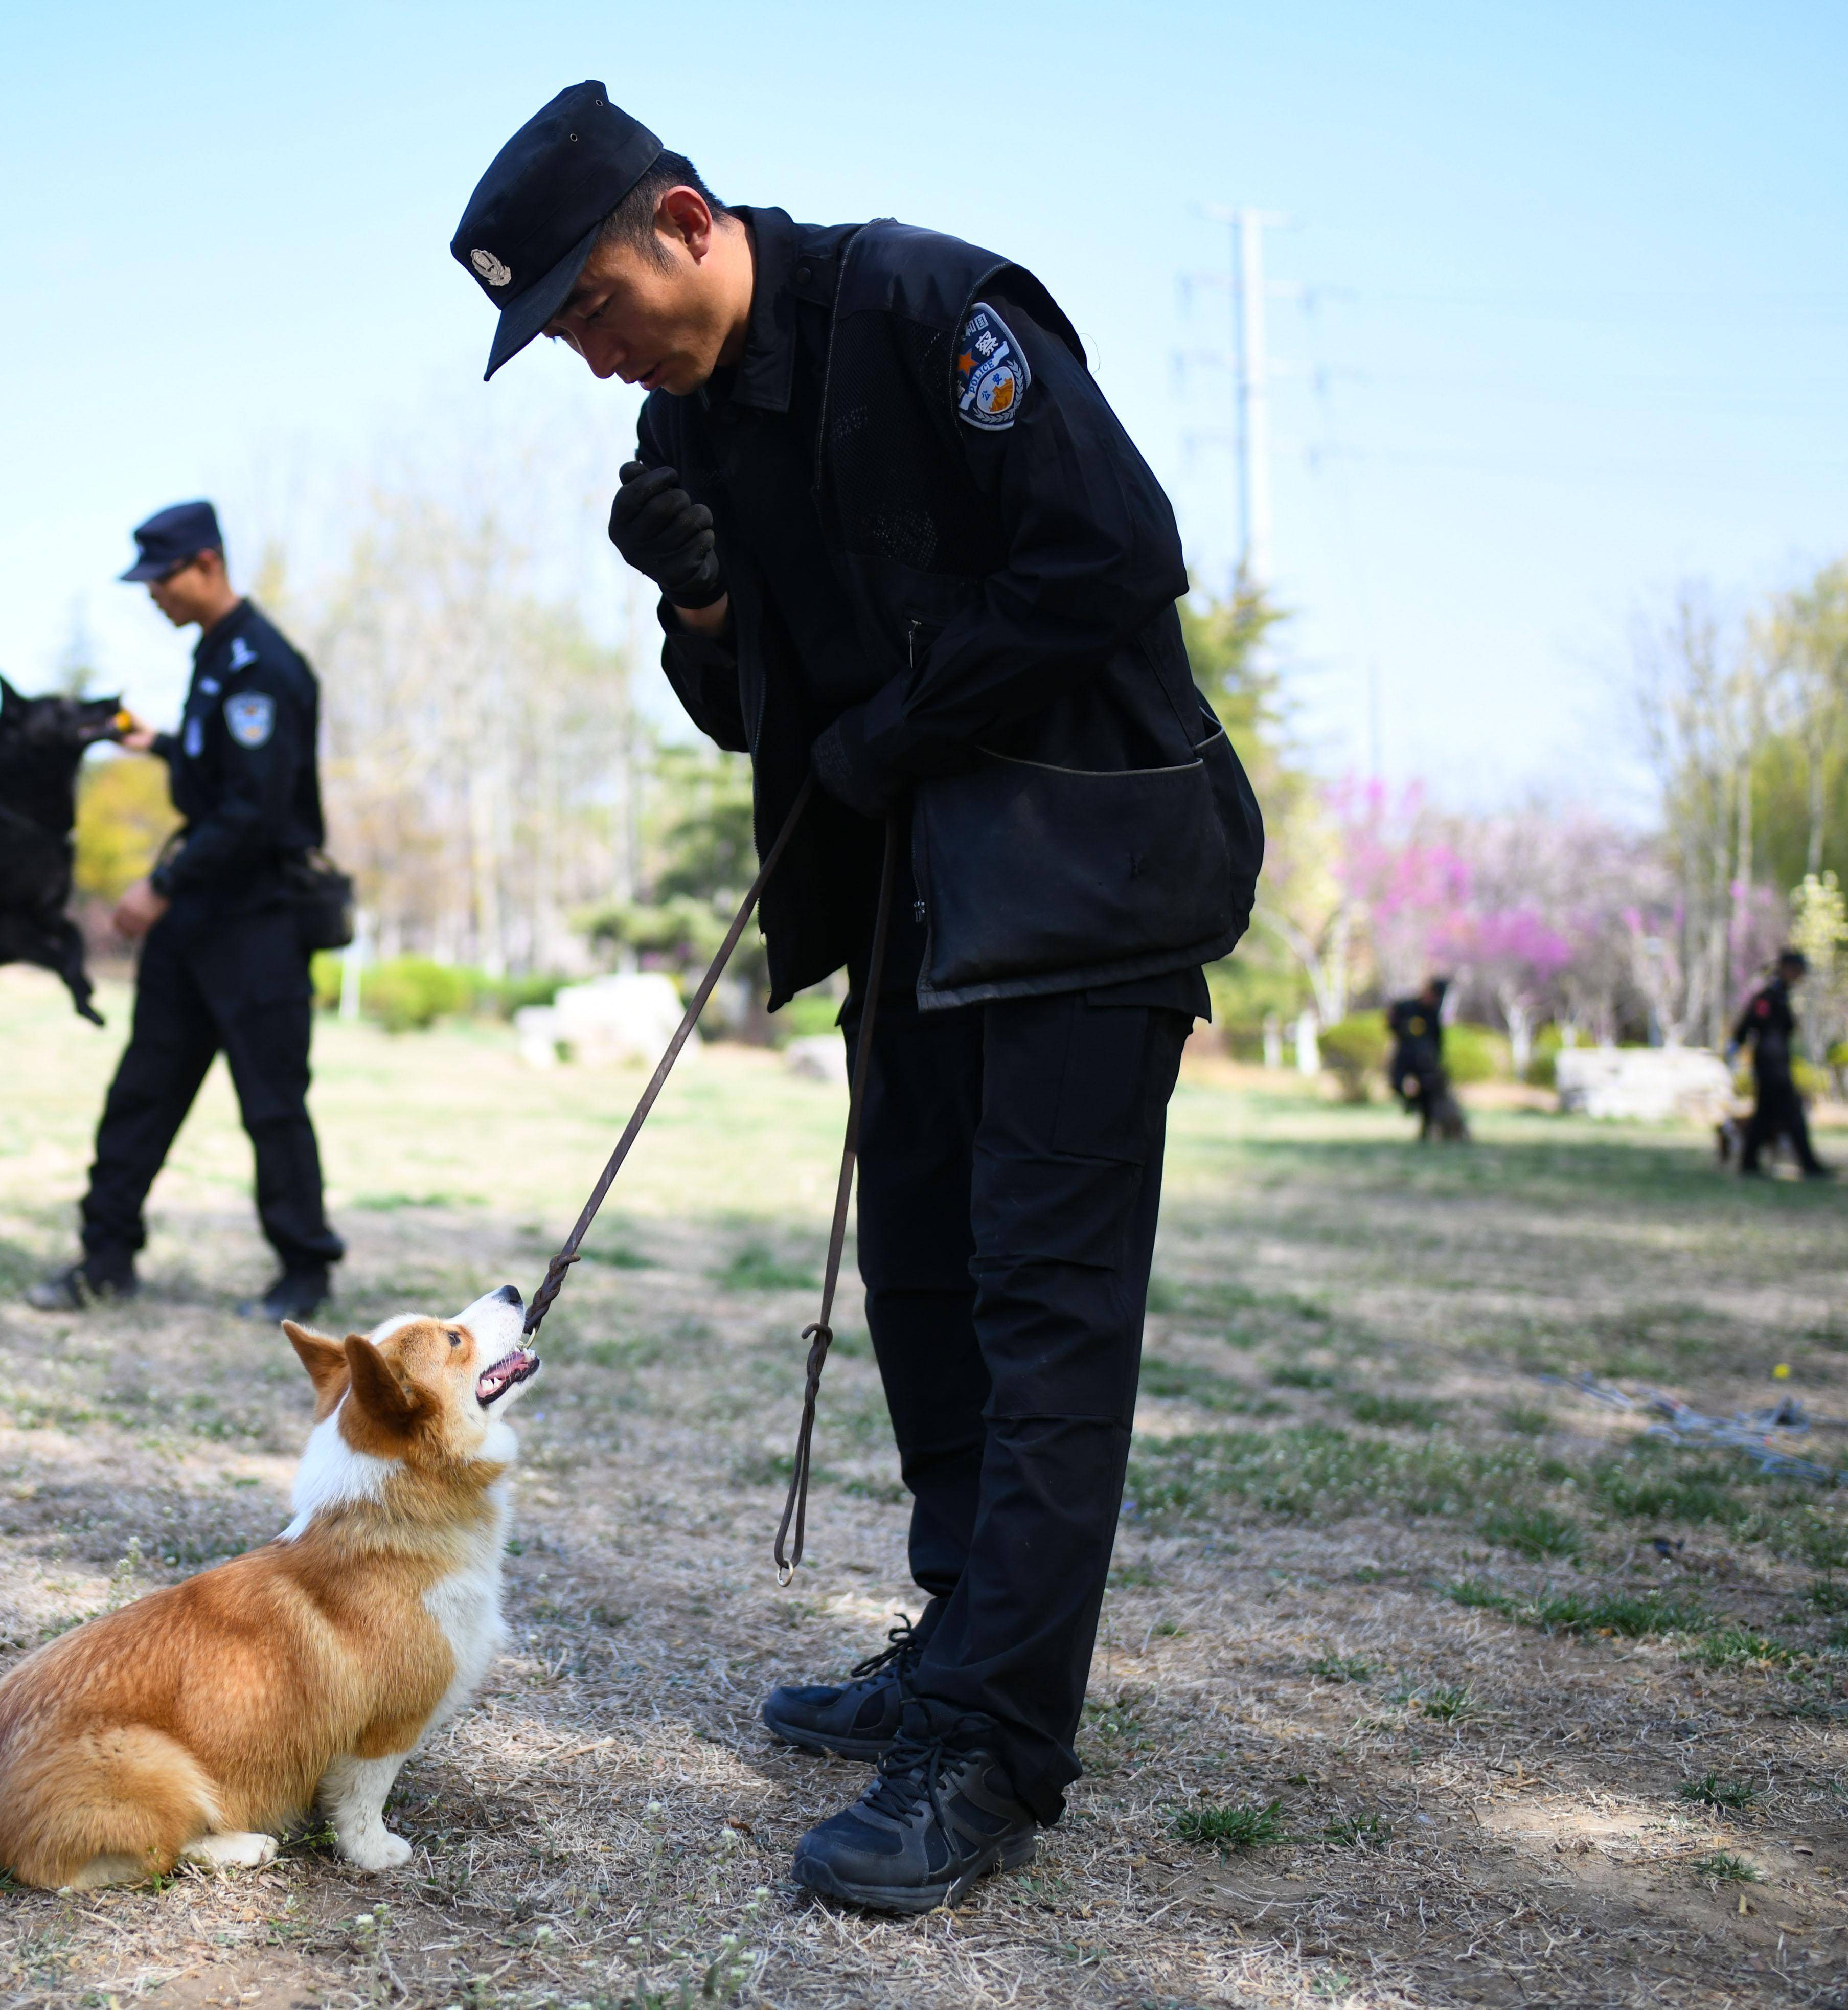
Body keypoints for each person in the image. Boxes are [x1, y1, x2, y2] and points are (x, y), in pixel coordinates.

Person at [450, 85, 1259, 1913]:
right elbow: (775, 729)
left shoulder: (921, 306)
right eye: (561, 332)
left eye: (586, 304)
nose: (588, 356)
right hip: (913, 908)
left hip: (1077, 877)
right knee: (920, 1285)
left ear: (680, 218)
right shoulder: (697, 417)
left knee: (1045, 1325)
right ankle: (959, 1632)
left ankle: (990, 1743)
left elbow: (1117, 553)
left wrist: (908, 714)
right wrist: (708, 617)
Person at [26, 502, 347, 1321]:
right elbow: (221, 768)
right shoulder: (217, 656)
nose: (152, 595)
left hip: (256, 922)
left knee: (272, 1105)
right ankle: (105, 1259)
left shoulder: (261, 665)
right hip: (197, 924)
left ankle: (303, 1271)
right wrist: (158, 743)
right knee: (143, 1092)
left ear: (206, 564)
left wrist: (157, 885)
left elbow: (254, 811)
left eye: (161, 579)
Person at [1727, 948, 1831, 1179]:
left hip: (1776, 1063)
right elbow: (1749, 1022)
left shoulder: (1781, 995)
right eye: (1798, 971)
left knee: (1765, 1115)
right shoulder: (1769, 996)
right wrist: (1735, 1046)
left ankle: (1750, 1163)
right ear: (1786, 969)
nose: (1800, 976)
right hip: (1770, 1065)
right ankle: (1809, 1165)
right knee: (1792, 1114)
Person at [1385, 976, 1467, 1143]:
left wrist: (1437, 1061)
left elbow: (1438, 1041)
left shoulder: (1433, 1015)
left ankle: (1426, 1130)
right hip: (1405, 1057)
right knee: (1396, 1083)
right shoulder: (1406, 1007)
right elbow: (1391, 1020)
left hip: (1425, 1062)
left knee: (1428, 1095)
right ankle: (1410, 1104)